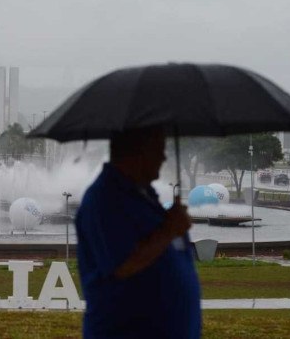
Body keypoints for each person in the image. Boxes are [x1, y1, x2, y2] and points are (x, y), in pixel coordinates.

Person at [76, 128, 201, 338]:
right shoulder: (104, 199)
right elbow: (123, 264)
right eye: (158, 149)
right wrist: (170, 229)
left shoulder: (143, 195)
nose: (163, 157)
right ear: (135, 152)